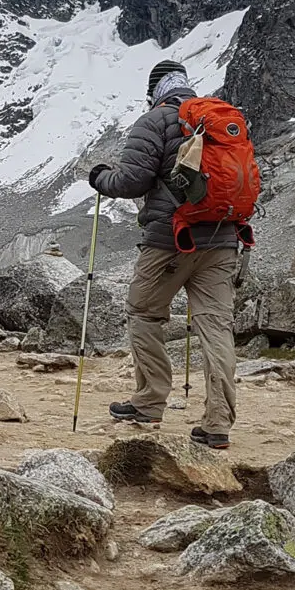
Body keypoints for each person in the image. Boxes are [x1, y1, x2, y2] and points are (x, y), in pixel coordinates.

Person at [87, 58, 242, 450]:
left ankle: (149, 400)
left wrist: (100, 178)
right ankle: (218, 423)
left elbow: (132, 181)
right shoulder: (220, 119)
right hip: (223, 238)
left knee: (144, 312)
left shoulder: (155, 121)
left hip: (172, 238)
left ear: (153, 91)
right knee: (216, 326)